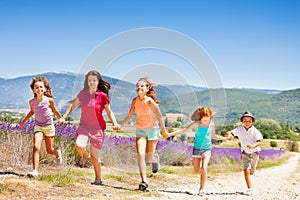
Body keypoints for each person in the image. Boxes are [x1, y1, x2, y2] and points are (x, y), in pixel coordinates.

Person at [58, 70, 120, 186]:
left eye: (94, 80)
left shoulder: (102, 96)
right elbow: (72, 106)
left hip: (97, 129)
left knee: (95, 157)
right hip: (84, 127)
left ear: (98, 82)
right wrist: (63, 117)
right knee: (79, 146)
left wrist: (115, 123)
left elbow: (109, 111)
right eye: (89, 80)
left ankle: (98, 179)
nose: (91, 82)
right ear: (87, 82)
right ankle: (85, 155)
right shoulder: (83, 94)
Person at [116, 77, 168, 191]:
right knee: (140, 154)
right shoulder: (135, 101)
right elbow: (130, 115)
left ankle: (154, 159)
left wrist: (163, 131)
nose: (139, 87)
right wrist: (121, 125)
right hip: (140, 130)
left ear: (147, 88)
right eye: (138, 86)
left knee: (148, 159)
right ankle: (144, 182)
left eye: (142, 86)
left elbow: (159, 116)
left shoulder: (150, 102)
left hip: (153, 130)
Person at [168, 107, 231, 196]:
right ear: (200, 118)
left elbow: (214, 136)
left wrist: (225, 138)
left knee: (204, 168)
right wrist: (169, 134)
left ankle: (201, 189)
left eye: (208, 120)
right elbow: (184, 130)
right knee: (196, 171)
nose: (206, 122)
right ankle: (201, 173)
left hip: (207, 149)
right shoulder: (196, 124)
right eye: (204, 120)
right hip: (197, 149)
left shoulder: (211, 125)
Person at [19, 76, 63, 178]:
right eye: (36, 87)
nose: (39, 89)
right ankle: (35, 171)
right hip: (38, 126)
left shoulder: (49, 100)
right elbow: (32, 112)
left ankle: (57, 153)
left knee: (49, 150)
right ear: (33, 90)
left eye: (41, 87)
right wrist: (23, 121)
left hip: (49, 127)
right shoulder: (32, 102)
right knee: (36, 146)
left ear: (45, 89)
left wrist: (61, 118)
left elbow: (55, 110)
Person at [226, 111, 263, 196]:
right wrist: (230, 135)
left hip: (254, 153)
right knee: (246, 170)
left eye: (249, 121)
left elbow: (259, 142)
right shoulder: (239, 129)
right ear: (242, 121)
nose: (247, 122)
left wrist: (253, 146)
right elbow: (230, 132)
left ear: (252, 122)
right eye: (245, 120)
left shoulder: (255, 131)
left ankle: (251, 171)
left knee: (251, 171)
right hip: (245, 153)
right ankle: (249, 189)